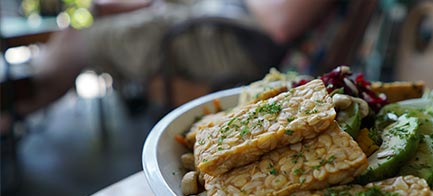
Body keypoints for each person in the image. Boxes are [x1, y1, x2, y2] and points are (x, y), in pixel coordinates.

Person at [2, 0, 331, 131]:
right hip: (213, 22)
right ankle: (19, 98)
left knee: (84, 39)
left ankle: (18, 102)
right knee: (79, 30)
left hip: (236, 39)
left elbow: (282, 22)